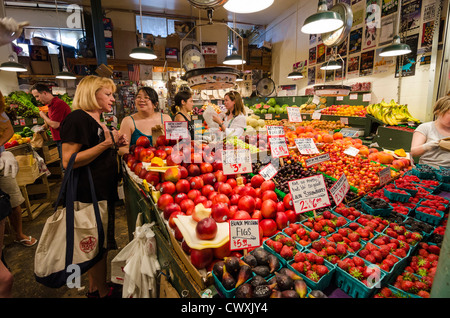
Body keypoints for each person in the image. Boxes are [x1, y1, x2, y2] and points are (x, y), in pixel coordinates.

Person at [59, 75, 128, 298]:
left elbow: (95, 153)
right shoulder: (78, 118)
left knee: (97, 245)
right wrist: (107, 144)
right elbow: (68, 160)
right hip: (88, 194)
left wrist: (113, 146)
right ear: (91, 94)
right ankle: (102, 292)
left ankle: (95, 287)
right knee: (96, 246)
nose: (112, 98)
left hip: (100, 192)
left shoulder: (96, 120)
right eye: (107, 94)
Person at [0, 90, 37, 249]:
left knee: (14, 199)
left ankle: (19, 235)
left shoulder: (0, 112)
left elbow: (9, 129)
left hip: (1, 162)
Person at [118, 86, 171, 155]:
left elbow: (173, 144)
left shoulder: (165, 119)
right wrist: (138, 156)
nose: (141, 100)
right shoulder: (128, 121)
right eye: (139, 97)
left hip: (164, 163)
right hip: (138, 164)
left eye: (146, 97)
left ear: (155, 104)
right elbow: (123, 149)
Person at [30, 83, 72, 162]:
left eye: (37, 96)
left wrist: (43, 116)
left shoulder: (58, 104)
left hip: (65, 139)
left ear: (44, 93)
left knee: (67, 164)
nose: (37, 99)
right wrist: (42, 127)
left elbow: (55, 125)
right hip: (60, 139)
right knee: (65, 163)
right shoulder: (50, 105)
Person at [410, 96, 450, 168]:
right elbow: (413, 152)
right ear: (438, 112)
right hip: (428, 172)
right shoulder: (426, 128)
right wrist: (429, 146)